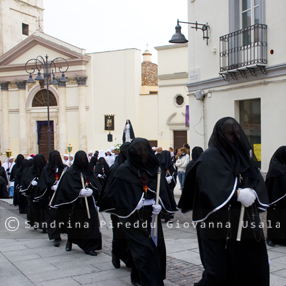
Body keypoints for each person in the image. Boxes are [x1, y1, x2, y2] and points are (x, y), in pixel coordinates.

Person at [178, 117, 269, 286]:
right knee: (217, 272)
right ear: (220, 135)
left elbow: (254, 177)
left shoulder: (241, 155)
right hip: (215, 224)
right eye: (229, 133)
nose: (234, 137)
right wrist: (236, 194)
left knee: (248, 268)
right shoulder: (209, 158)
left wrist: (254, 191)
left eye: (236, 133)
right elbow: (207, 187)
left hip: (244, 222)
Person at [99, 137, 177, 286]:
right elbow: (117, 196)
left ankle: (138, 276)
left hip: (151, 217)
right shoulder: (123, 170)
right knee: (144, 250)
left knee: (155, 247)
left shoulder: (155, 169)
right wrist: (134, 203)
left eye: (145, 151)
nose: (142, 154)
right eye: (138, 151)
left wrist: (159, 204)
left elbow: (161, 192)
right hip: (132, 218)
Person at [50, 150, 102, 256]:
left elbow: (96, 185)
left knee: (91, 225)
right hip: (75, 205)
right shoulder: (70, 172)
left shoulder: (89, 171)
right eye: (80, 159)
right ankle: (70, 241)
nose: (82, 161)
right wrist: (78, 192)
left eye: (84, 159)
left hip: (89, 204)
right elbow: (66, 187)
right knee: (75, 226)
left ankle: (90, 246)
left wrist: (92, 191)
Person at [97, 142, 133, 270]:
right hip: (118, 208)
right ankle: (116, 255)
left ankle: (129, 258)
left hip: (131, 208)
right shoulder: (115, 169)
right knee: (119, 234)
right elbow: (109, 190)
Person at [34, 150, 68, 247]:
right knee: (53, 217)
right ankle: (55, 236)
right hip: (51, 197)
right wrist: (50, 187)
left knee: (63, 216)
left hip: (62, 197)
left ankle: (65, 233)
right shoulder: (46, 170)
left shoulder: (64, 169)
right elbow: (42, 183)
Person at [265, 146, 286, 247]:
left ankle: (282, 239)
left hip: (283, 199)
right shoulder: (275, 167)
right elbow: (270, 185)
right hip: (275, 199)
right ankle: (271, 238)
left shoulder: (284, 167)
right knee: (274, 218)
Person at [21, 154, 47, 230]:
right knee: (35, 208)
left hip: (43, 192)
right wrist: (32, 182)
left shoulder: (45, 169)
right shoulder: (31, 169)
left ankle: (43, 225)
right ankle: (35, 222)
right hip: (34, 192)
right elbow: (27, 179)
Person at [158, 150, 177, 223]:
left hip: (169, 188)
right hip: (162, 188)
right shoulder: (159, 166)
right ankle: (161, 215)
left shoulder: (171, 166)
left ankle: (168, 216)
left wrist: (172, 179)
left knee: (168, 201)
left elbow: (174, 174)